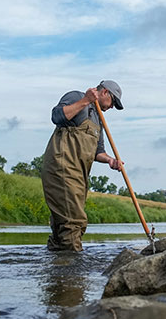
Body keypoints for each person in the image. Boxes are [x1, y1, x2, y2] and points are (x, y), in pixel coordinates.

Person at [41, 80, 125, 251]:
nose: (112, 107)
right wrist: (86, 100)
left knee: (62, 225)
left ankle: (58, 267)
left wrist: (110, 160)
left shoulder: (98, 120)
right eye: (113, 102)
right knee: (74, 221)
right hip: (62, 168)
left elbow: (97, 152)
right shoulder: (77, 97)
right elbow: (56, 116)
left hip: (79, 175)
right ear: (105, 93)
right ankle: (73, 272)